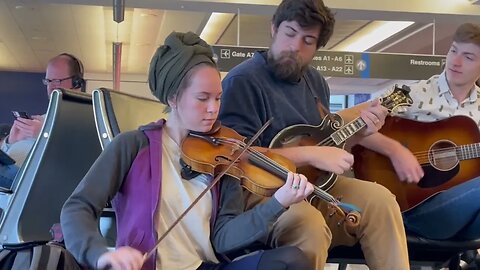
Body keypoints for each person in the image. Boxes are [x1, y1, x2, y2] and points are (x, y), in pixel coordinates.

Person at [60, 31, 314, 270]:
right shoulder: (132, 146)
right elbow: (77, 207)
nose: (214, 109)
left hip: (205, 266)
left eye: (218, 97)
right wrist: (102, 253)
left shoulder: (224, 155)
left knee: (291, 260)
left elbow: (223, 238)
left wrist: (278, 203)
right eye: (202, 98)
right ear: (173, 99)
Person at [218, 0, 410, 269]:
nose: (296, 46)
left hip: (316, 187)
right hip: (264, 195)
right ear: (273, 29)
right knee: (309, 223)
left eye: (308, 40)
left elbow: (325, 142)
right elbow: (236, 157)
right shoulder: (243, 82)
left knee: (381, 202)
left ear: (318, 47)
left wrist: (359, 133)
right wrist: (312, 154)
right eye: (290, 33)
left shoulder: (316, 82)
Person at [359, 22, 480, 240]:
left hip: (466, 214)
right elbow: (356, 128)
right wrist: (396, 151)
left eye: (469, 57)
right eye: (453, 51)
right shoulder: (409, 94)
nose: (456, 61)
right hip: (411, 208)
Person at [0, 53, 85, 188]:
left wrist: (43, 134)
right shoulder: (40, 120)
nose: (51, 87)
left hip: (34, 189)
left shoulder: (85, 121)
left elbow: (80, 158)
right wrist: (10, 142)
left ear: (77, 83)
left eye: (57, 81)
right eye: (48, 81)